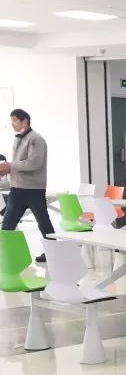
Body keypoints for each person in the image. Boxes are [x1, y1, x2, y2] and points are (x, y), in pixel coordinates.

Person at [0, 110, 55, 263]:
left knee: (44, 224)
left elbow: (33, 163)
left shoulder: (36, 139)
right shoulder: (18, 138)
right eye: (11, 120)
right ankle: (5, 257)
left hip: (33, 190)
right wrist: (8, 170)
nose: (12, 123)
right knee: (7, 225)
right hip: (17, 189)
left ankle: (53, 253)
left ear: (25, 121)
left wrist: (10, 165)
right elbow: (19, 164)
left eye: (15, 120)